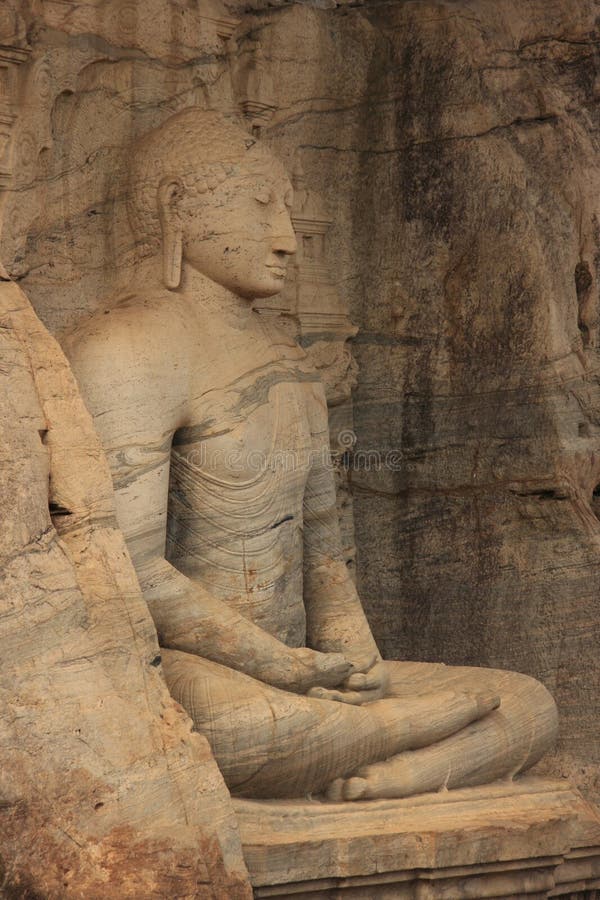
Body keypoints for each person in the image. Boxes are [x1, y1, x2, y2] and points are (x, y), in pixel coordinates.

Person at [63, 109, 557, 800]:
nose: (287, 239)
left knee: (530, 703)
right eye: (259, 205)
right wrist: (278, 665)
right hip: (190, 671)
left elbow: (323, 558)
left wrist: (355, 661)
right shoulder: (127, 347)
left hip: (306, 679)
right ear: (176, 206)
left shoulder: (290, 363)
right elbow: (127, 566)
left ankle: (390, 776)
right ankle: (405, 737)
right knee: (241, 732)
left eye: (289, 211)